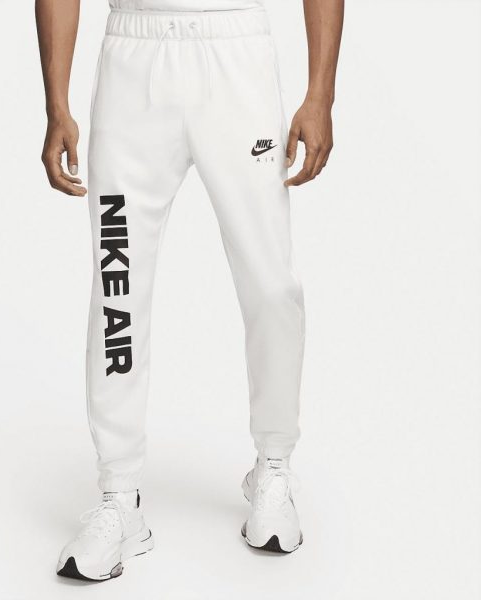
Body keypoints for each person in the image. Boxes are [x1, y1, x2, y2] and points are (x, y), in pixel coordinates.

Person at [36, 0, 343, 582]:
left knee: (270, 283)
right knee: (118, 286)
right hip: (133, 63)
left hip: (236, 52)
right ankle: (118, 496)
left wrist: (320, 93)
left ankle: (274, 467)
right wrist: (57, 104)